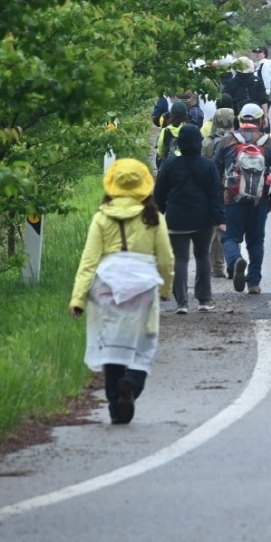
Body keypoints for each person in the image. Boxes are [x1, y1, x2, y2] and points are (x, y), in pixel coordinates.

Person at [69, 158, 174, 426]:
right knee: (144, 342)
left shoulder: (102, 217)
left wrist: (78, 298)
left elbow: (89, 261)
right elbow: (165, 259)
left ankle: (116, 406)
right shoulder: (154, 218)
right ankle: (132, 384)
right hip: (143, 287)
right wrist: (165, 288)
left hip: (107, 286)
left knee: (111, 344)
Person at [153, 124, 225, 314]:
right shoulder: (208, 165)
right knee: (202, 256)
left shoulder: (170, 165)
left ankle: (182, 302)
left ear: (181, 144)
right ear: (199, 144)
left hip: (177, 219)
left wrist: (157, 215)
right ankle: (204, 299)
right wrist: (220, 218)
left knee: (181, 258)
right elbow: (216, 194)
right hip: (203, 219)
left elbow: (159, 193)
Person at [214, 102, 271, 294]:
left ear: (240, 120)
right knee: (255, 241)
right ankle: (253, 282)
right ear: (261, 121)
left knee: (229, 237)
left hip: (232, 199)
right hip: (259, 200)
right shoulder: (269, 143)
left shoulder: (227, 141)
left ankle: (235, 261)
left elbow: (215, 173)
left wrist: (218, 200)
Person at [201, 100, 235, 278]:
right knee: (231, 225)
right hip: (234, 188)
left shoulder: (208, 141)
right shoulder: (237, 141)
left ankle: (217, 266)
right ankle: (233, 260)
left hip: (212, 188)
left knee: (216, 227)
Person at [223, 56, 269, 129]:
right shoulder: (258, 81)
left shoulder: (231, 82)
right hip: (256, 115)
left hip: (238, 115)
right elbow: (263, 100)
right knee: (258, 133)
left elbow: (226, 101)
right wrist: (265, 117)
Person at [156, 100, 189, 168]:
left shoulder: (165, 130)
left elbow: (160, 150)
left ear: (171, 114)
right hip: (184, 166)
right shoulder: (188, 130)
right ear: (185, 115)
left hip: (169, 165)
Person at [252, 46, 271, 129]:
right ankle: (264, 131)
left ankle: (265, 131)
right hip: (263, 92)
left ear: (264, 54)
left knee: (263, 113)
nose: (257, 54)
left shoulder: (265, 65)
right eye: (256, 52)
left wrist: (265, 93)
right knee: (263, 113)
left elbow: (266, 79)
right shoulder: (259, 64)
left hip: (266, 93)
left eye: (259, 52)